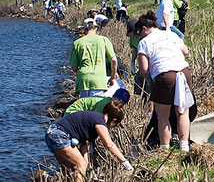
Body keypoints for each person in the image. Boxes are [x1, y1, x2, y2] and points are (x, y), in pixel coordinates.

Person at [136, 11, 193, 152]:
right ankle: (184, 146)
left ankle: (164, 148)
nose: (140, 36)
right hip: (184, 72)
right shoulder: (171, 34)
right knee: (182, 112)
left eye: (139, 33)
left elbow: (144, 69)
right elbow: (185, 51)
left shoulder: (144, 42)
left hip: (165, 76)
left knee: (162, 116)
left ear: (144, 29)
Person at [45, 102, 133, 181]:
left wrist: (87, 166)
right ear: (114, 120)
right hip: (59, 135)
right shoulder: (100, 121)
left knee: (69, 168)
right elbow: (109, 145)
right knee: (80, 165)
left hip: (52, 134)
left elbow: (84, 146)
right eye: (115, 125)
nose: (112, 128)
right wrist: (125, 162)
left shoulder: (94, 120)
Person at [71, 18, 118, 98]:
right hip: (98, 80)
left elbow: (74, 67)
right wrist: (112, 78)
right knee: (96, 108)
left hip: (83, 80)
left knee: (85, 107)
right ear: (96, 28)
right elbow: (114, 60)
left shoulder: (77, 43)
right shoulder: (104, 40)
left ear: (84, 29)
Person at [65, 88, 130, 116]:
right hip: (74, 111)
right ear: (113, 96)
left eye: (122, 103)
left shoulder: (111, 105)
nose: (119, 103)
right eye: (117, 99)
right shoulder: (104, 104)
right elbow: (95, 118)